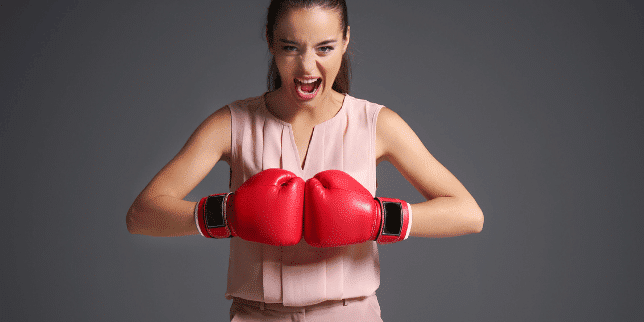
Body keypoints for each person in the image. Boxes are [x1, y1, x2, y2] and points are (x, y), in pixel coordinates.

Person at [126, 0, 484, 320]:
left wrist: (378, 219)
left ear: (345, 40)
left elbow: (469, 213)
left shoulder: (376, 125)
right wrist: (227, 215)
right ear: (270, 42)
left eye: (324, 48)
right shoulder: (231, 124)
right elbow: (142, 215)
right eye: (290, 47)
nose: (307, 65)